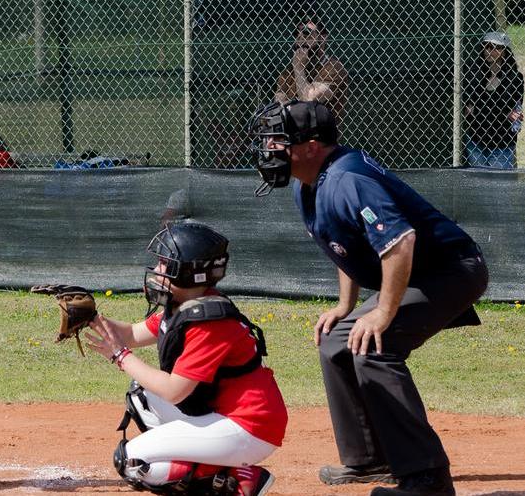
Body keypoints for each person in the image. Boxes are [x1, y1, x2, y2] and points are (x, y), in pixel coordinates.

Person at [249, 100, 489, 496]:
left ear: (311, 146)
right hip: (419, 271)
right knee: (336, 340)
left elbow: (400, 242)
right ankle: (368, 458)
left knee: (375, 346)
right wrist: (346, 307)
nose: (269, 148)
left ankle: (427, 478)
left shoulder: (347, 179)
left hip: (450, 270)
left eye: (278, 140)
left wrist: (383, 313)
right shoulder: (308, 185)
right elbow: (346, 244)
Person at [83, 221, 288, 496]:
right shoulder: (187, 303)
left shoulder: (208, 323)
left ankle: (238, 477)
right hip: (224, 413)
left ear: (190, 274)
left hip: (250, 426)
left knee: (133, 462)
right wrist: (90, 317)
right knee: (141, 395)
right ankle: (223, 468)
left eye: (165, 265)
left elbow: (175, 390)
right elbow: (132, 333)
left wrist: (120, 355)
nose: (156, 271)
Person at [464, 31, 524, 169]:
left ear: (504, 51)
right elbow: (469, 107)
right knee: (478, 185)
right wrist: (503, 112)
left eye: (495, 47)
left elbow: (509, 107)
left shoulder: (514, 78)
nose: (489, 50)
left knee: (498, 185)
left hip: (501, 142)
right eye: (486, 46)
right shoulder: (474, 72)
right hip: (476, 140)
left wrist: (479, 108)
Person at [274, 20, 348, 126]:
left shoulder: (334, 67)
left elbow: (308, 101)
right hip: (290, 135)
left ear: (323, 38)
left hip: (320, 137)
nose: (300, 41)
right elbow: (278, 107)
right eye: (297, 36)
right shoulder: (288, 73)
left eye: (307, 34)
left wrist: (299, 68)